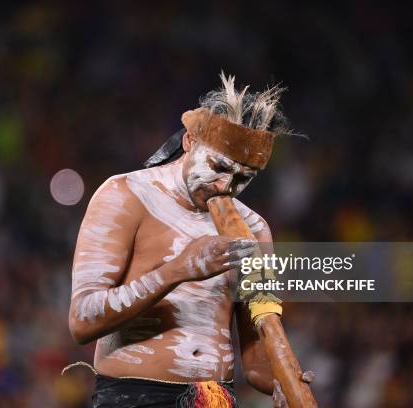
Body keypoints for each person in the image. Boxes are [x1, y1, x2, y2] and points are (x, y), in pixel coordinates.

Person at [67, 72, 313, 407]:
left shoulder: (254, 229)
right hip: (133, 396)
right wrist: (178, 269)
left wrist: (282, 383)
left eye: (244, 178)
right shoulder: (126, 195)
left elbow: (254, 362)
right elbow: (82, 320)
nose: (226, 186)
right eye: (218, 166)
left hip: (216, 398)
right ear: (189, 142)